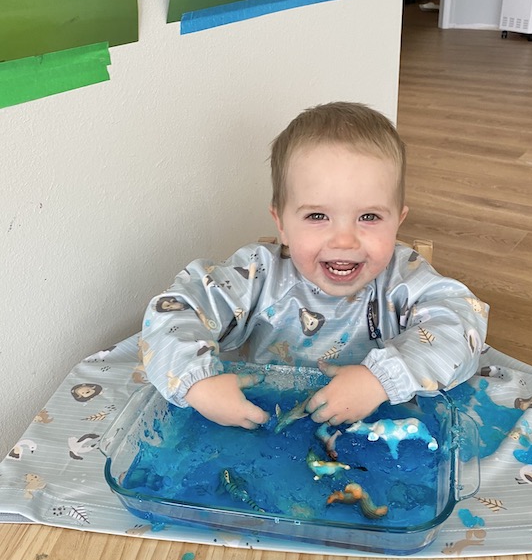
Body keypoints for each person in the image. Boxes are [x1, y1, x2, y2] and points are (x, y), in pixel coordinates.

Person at [140, 102, 488, 430]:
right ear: (281, 223)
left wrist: (382, 380)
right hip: (269, 430)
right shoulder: (257, 275)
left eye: (369, 216)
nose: (344, 241)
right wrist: (197, 384)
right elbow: (173, 311)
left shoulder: (404, 279)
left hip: (381, 432)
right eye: (317, 216)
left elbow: (462, 326)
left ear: (398, 220)